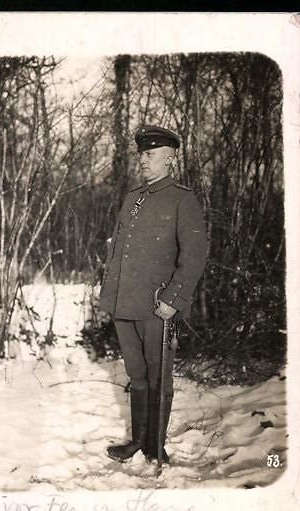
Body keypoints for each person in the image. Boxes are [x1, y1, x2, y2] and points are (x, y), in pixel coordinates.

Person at [100, 124, 207, 464]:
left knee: (159, 376)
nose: (142, 161)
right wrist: (111, 294)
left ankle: (155, 446)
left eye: (150, 154)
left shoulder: (182, 199)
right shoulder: (133, 197)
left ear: (170, 159)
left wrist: (173, 300)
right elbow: (119, 250)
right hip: (125, 302)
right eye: (141, 154)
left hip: (156, 305)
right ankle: (139, 441)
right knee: (137, 375)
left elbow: (194, 256)